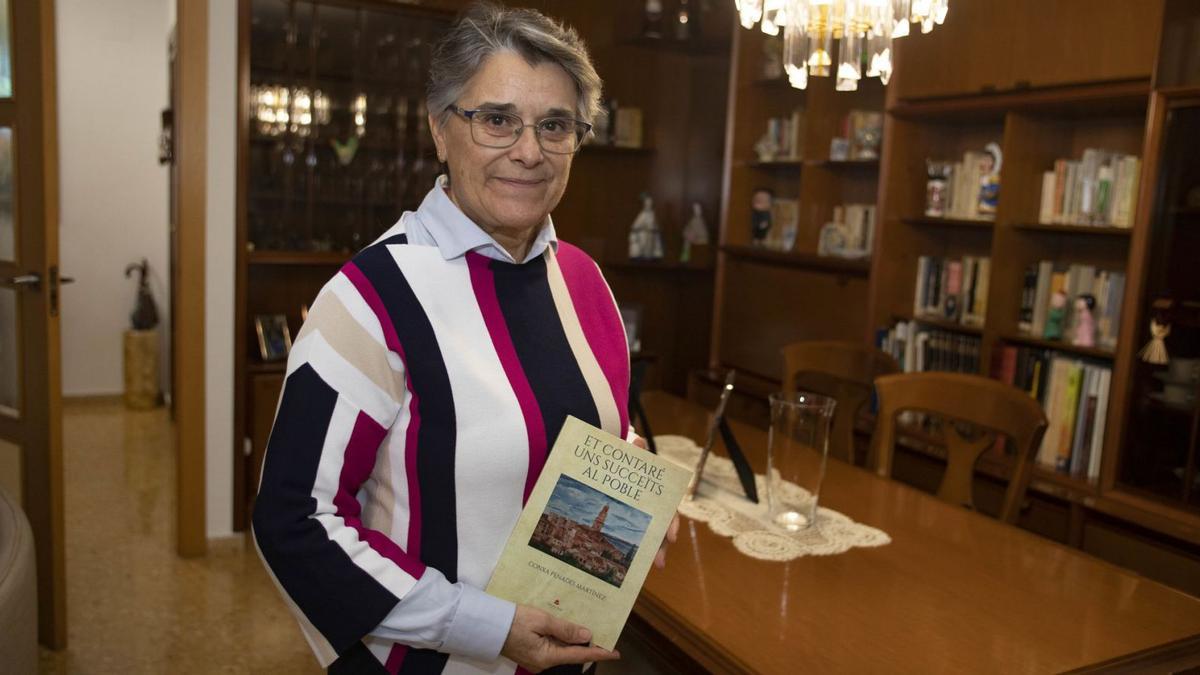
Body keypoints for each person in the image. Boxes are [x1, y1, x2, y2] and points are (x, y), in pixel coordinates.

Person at [251, 3, 676, 674]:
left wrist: (632, 490)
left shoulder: (585, 281)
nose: (529, 151)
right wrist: (490, 627)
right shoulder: (368, 298)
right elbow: (293, 523)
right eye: (497, 119)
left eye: (555, 125)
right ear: (440, 128)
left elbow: (594, 433)